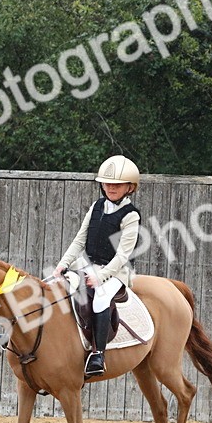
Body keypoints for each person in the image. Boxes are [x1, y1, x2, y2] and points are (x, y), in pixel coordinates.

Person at [54, 154, 142, 378]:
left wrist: (101, 277)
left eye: (117, 184)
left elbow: (123, 255)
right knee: (55, 285)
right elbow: (80, 239)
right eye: (107, 183)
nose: (111, 187)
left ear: (129, 187)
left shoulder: (131, 215)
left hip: (117, 272)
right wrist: (62, 265)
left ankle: (98, 354)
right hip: (89, 265)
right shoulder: (96, 206)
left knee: (100, 297)